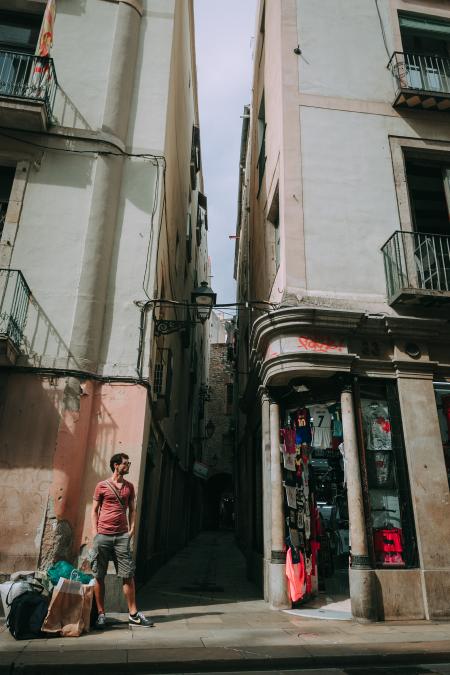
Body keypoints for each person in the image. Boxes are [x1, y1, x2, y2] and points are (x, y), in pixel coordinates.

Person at [91, 452, 153, 628]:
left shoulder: (129, 487)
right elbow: (94, 510)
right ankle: (101, 614)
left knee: (128, 575)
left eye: (129, 463)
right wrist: (95, 532)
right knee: (99, 575)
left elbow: (133, 509)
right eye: (125, 463)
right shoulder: (101, 486)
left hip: (121, 537)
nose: (128, 466)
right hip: (102, 535)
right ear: (116, 465)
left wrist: (132, 530)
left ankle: (133, 614)